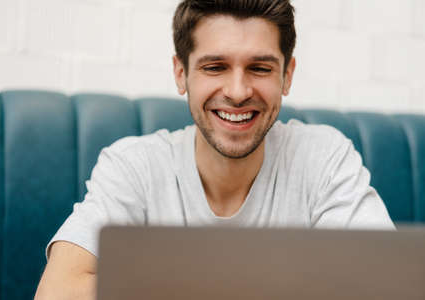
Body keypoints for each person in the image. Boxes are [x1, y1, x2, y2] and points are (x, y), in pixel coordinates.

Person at [34, 0, 395, 299]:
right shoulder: (133, 166)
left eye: (259, 67)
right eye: (215, 66)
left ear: (287, 75)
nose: (237, 91)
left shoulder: (325, 157)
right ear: (181, 73)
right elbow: (57, 292)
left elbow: (386, 284)